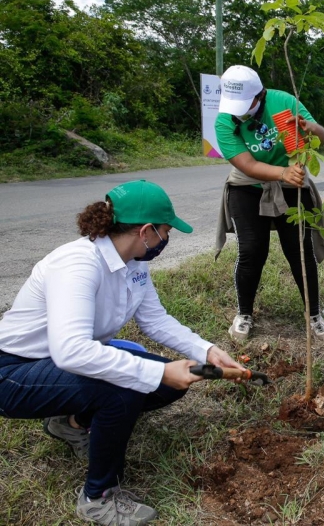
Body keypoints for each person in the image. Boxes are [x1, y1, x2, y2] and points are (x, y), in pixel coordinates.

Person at [0, 180, 243, 525]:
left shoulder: (134, 263)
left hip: (58, 363)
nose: (166, 239)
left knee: (166, 383)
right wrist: (156, 372)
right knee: (126, 386)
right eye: (164, 231)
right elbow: (70, 350)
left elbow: (156, 320)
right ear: (145, 231)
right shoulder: (78, 264)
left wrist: (207, 350)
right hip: (14, 372)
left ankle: (70, 423)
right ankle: (98, 497)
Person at [214, 65, 324, 343]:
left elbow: (322, 137)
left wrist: (309, 128)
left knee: (299, 249)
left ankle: (314, 314)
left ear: (261, 95)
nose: (239, 112)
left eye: (246, 105)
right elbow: (248, 164)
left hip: (291, 185)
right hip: (247, 186)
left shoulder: (284, 102)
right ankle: (244, 314)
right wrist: (280, 173)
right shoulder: (224, 121)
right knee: (253, 250)